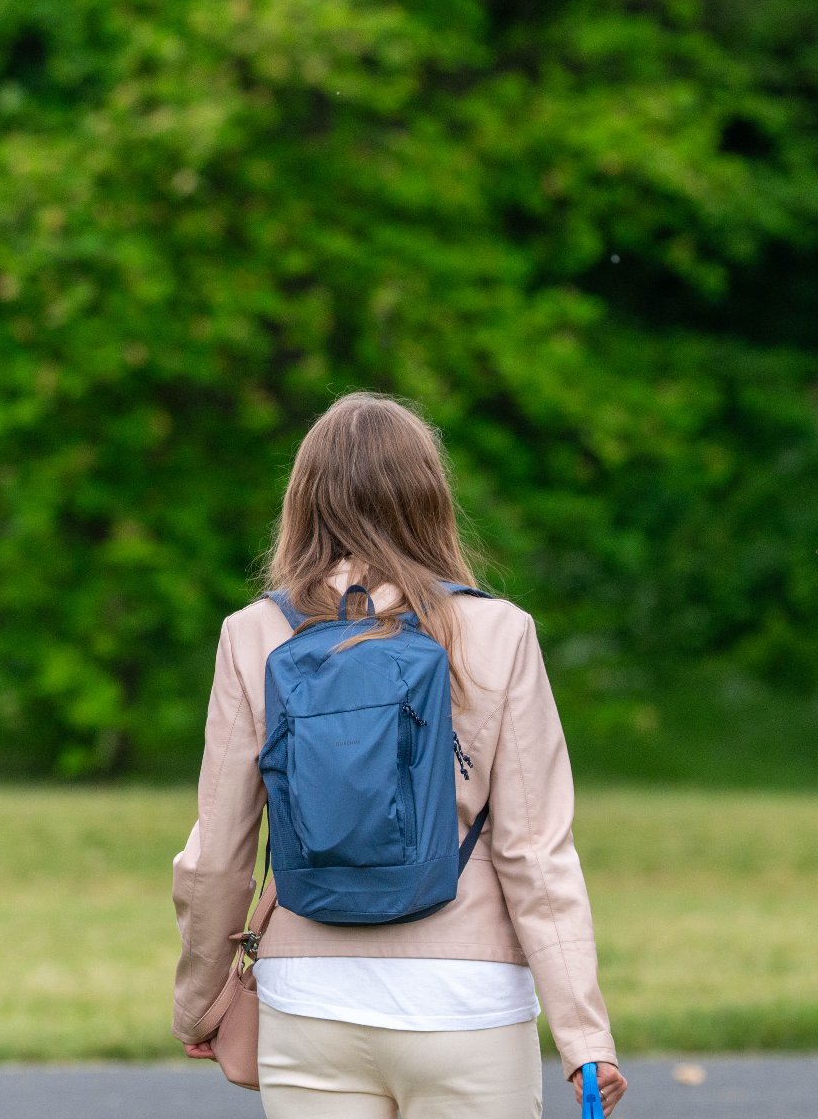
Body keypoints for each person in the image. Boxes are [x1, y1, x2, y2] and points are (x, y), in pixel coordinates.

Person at [171, 392, 626, 1118]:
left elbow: (218, 854)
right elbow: (535, 853)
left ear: (303, 500)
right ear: (428, 498)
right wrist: (583, 1037)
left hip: (309, 1002)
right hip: (465, 1005)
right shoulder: (497, 631)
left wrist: (199, 1001)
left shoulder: (254, 633)